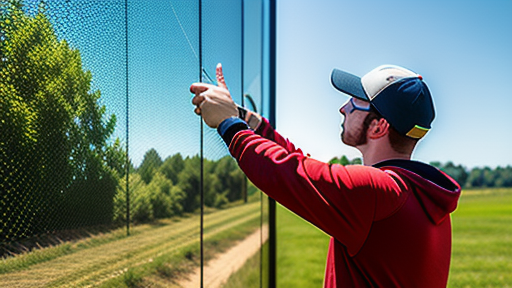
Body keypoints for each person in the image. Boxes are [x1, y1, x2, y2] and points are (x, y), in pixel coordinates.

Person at [190, 63, 461, 287]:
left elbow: (285, 172)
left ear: (379, 126)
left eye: (355, 102)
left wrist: (229, 125)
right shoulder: (420, 197)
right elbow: (305, 167)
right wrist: (241, 117)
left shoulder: (378, 193)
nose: (343, 108)